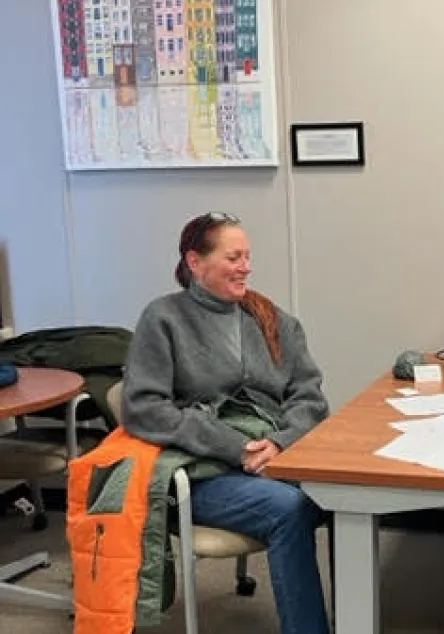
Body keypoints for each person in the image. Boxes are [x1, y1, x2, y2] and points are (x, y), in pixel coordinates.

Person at [121, 212, 331, 634]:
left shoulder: (272, 319)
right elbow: (144, 407)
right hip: (199, 471)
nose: (246, 267)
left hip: (273, 457)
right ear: (195, 262)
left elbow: (308, 395)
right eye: (233, 257)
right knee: (289, 509)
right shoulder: (163, 319)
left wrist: (279, 442)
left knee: (343, 492)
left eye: (248, 256)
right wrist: (235, 448)